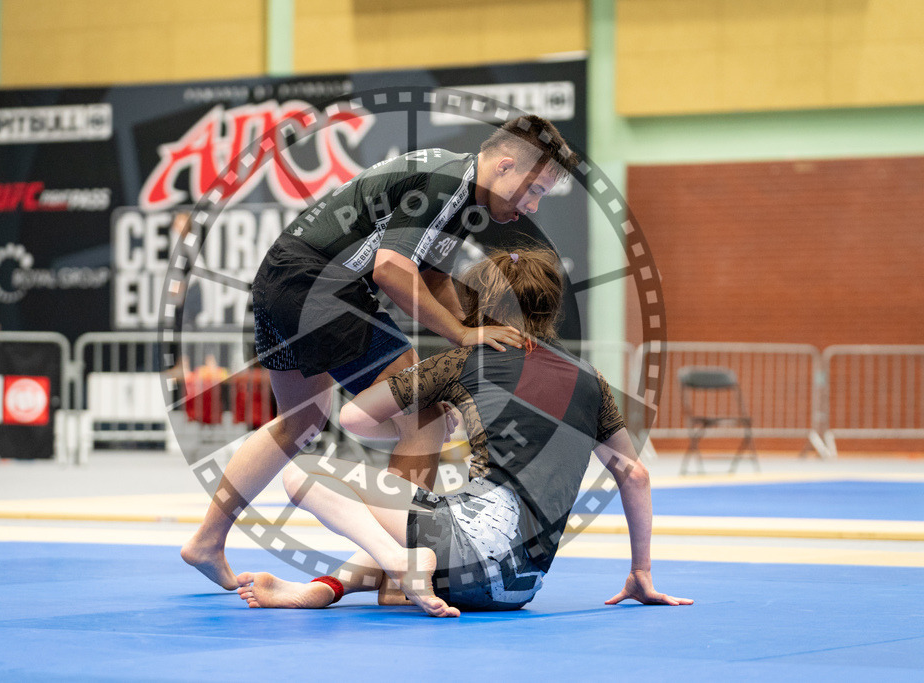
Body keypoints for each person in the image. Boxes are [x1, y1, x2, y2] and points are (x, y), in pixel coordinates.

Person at [181, 115, 579, 593]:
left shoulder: (457, 192)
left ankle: (206, 541)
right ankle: (397, 567)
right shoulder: (448, 183)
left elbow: (430, 277)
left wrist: (471, 333)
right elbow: (391, 269)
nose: (531, 207)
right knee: (425, 414)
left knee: (301, 422)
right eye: (533, 191)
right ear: (506, 166)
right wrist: (460, 331)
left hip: (279, 281)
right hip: (319, 287)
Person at [235, 248, 693, 616]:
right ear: (551, 308)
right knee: (427, 531)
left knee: (304, 475)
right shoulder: (591, 380)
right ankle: (326, 588)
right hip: (517, 589)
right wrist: (640, 571)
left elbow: (355, 418)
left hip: (465, 550)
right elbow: (635, 476)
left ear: (476, 306)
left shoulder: (465, 360)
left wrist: (434, 417)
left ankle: (399, 564)